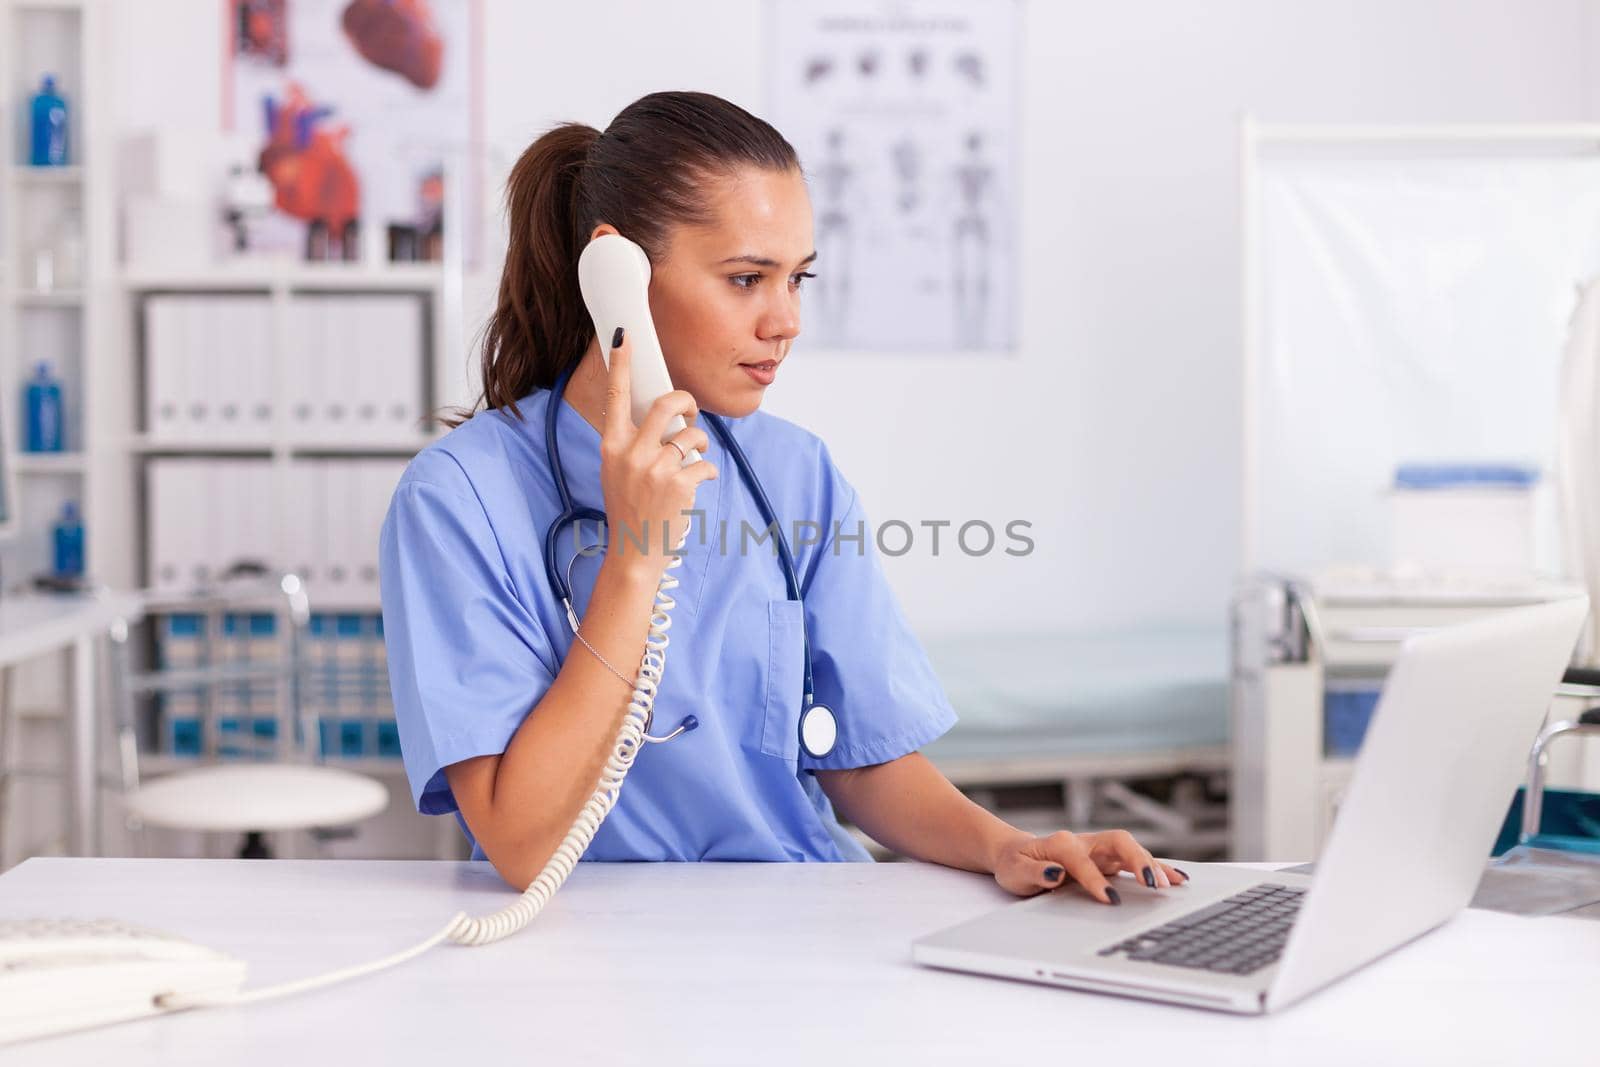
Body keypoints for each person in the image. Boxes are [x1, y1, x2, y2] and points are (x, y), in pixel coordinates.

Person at [379, 91, 1187, 903]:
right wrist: (634, 563)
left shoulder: (795, 472)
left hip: (804, 920)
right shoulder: (457, 500)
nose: (787, 319)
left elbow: (860, 760)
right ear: (615, 272)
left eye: (797, 278)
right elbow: (521, 843)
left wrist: (1008, 845)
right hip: (592, 949)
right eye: (745, 279)